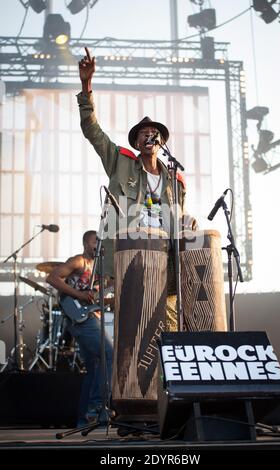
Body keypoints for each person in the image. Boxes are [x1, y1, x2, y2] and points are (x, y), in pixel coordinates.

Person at [77, 47, 197, 331]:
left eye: (153, 133)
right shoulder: (120, 161)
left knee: (168, 328)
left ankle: (169, 375)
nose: (148, 135)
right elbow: (91, 129)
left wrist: (187, 222)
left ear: (161, 142)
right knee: (134, 327)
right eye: (143, 133)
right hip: (129, 256)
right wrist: (86, 85)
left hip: (164, 261)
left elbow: (178, 219)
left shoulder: (175, 180)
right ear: (136, 142)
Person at [46, 230, 113, 427]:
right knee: (108, 354)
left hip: (91, 315)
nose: (97, 245)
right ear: (85, 243)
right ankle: (97, 407)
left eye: (100, 242)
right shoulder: (79, 261)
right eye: (94, 242)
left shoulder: (101, 269)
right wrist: (79, 295)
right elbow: (52, 278)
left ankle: (83, 421)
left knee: (93, 370)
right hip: (81, 318)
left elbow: (96, 297)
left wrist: (111, 299)